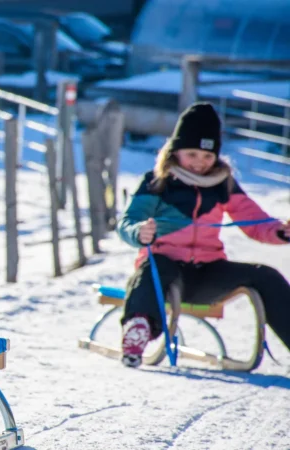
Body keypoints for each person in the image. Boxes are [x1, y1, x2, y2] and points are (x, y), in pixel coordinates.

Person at [116, 102, 290, 368]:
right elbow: (128, 221)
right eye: (192, 154)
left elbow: (254, 221)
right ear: (176, 152)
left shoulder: (223, 184)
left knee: (265, 275)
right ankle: (138, 329)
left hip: (208, 272)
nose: (200, 163)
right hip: (166, 270)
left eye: (207, 157)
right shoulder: (158, 182)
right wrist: (139, 232)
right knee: (155, 266)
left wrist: (280, 231)